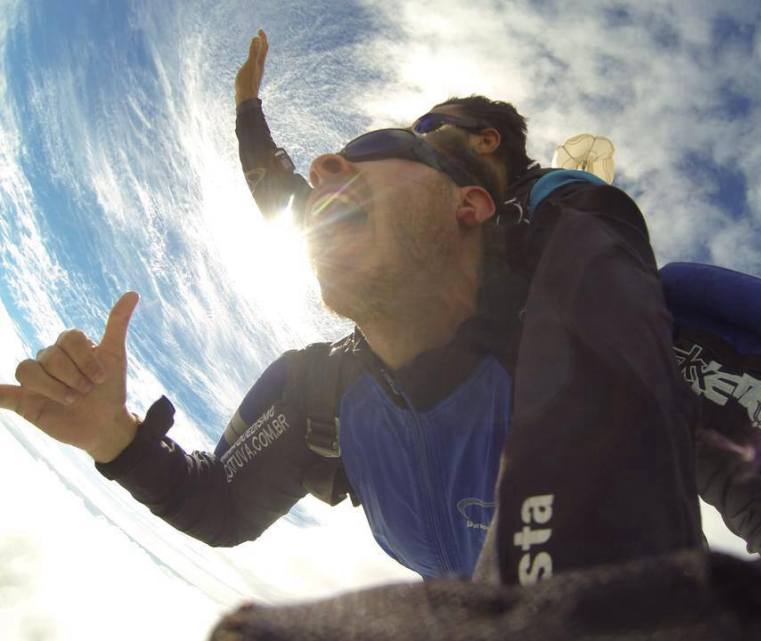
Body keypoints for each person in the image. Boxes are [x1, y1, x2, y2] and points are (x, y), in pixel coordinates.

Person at [233, 30, 761, 578]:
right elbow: (310, 213)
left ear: (486, 140)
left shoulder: (547, 205)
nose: (410, 141)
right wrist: (249, 118)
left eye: (426, 129)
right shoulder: (448, 238)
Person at [0, 102, 702, 584]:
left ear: (472, 205)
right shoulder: (318, 394)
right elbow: (219, 505)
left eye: (387, 147)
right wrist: (118, 442)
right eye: (331, 165)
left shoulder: (563, 312)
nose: (327, 164)